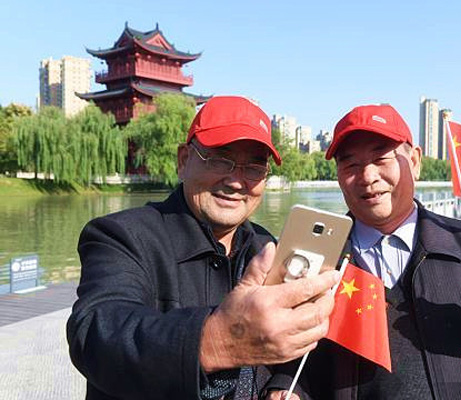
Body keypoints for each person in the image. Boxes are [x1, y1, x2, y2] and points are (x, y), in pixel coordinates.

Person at [265, 104, 461, 399]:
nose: (367, 176)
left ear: (414, 161)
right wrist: (282, 388)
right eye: (350, 164)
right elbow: (287, 361)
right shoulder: (314, 259)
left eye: (381, 158)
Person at [67, 96, 339, 400]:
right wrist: (218, 341)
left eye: (254, 168)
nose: (236, 181)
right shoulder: (121, 235)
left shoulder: (267, 247)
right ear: (184, 161)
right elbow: (95, 333)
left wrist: (285, 385)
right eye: (220, 160)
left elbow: (292, 340)